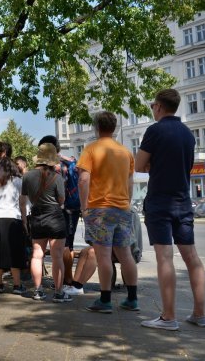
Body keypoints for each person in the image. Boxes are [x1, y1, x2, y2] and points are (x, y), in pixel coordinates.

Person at [136, 88, 205, 330]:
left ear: (158, 106)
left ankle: (168, 317)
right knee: (192, 257)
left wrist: (153, 166)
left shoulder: (154, 130)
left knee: (164, 257)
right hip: (183, 201)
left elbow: (139, 164)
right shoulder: (188, 134)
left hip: (159, 202)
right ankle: (200, 314)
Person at [77, 111, 138, 314]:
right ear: (115, 128)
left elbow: (84, 180)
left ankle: (105, 300)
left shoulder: (91, 149)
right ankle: (132, 298)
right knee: (125, 254)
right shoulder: (125, 152)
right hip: (122, 208)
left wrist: (84, 207)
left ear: (96, 127)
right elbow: (130, 181)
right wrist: (126, 203)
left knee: (103, 255)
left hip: (99, 209)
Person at [21, 143, 71, 303]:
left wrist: (24, 219)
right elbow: (61, 199)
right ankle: (58, 292)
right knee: (57, 256)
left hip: (36, 216)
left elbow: (24, 198)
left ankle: (38, 291)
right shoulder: (57, 177)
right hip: (55, 217)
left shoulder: (27, 176)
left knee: (37, 255)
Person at [37, 135, 82, 289]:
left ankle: (66, 280)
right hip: (72, 209)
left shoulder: (52, 166)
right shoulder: (69, 161)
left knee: (61, 247)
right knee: (67, 244)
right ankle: (66, 280)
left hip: (55, 209)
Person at [0, 158, 27, 294]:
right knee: (14, 252)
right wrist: (24, 221)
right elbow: (22, 204)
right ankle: (17, 286)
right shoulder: (19, 181)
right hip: (13, 218)